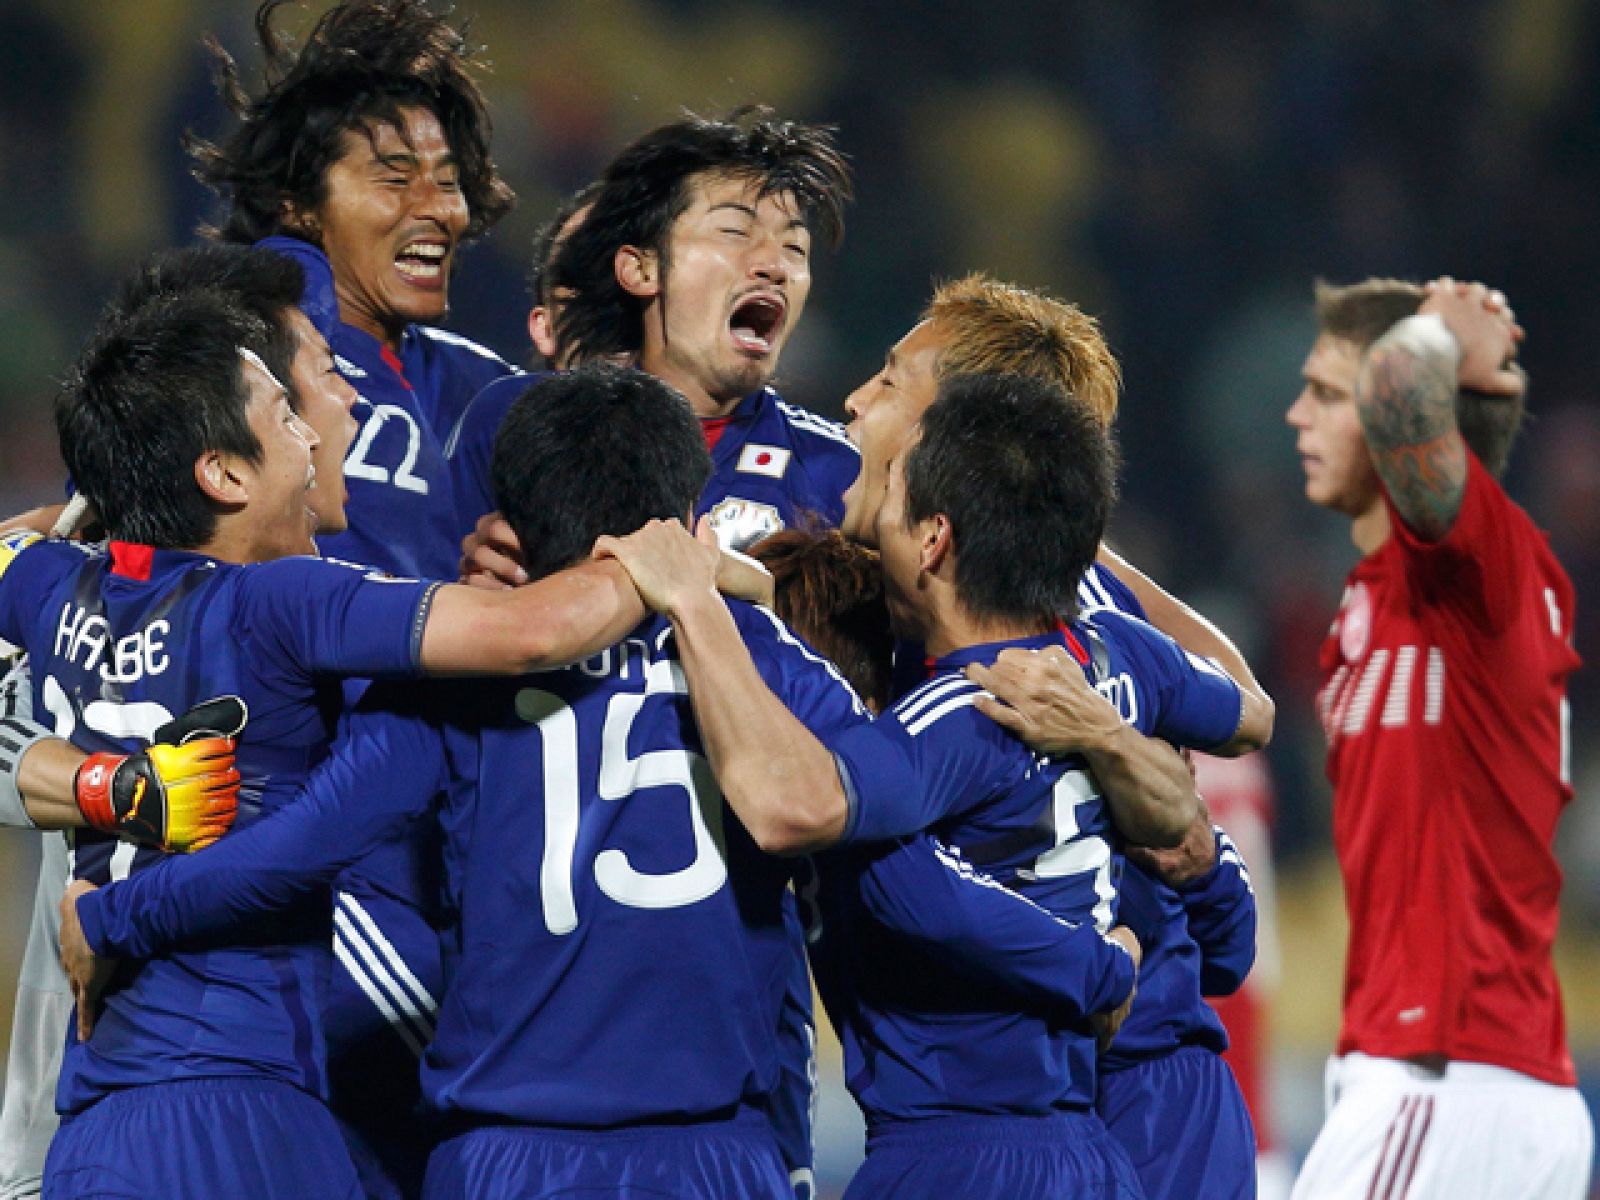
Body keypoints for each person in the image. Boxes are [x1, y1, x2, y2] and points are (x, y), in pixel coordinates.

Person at [56, 364, 1152, 1200]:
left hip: (508, 1157)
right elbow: (889, 852)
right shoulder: (768, 667)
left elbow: (296, 848)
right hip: (713, 1156)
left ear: (515, 523)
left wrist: (119, 912)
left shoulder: (447, 695)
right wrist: (1085, 961)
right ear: (685, 506)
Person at [0, 283, 663, 1200]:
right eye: (284, 414)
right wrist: (680, 567)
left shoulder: (47, 589)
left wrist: (68, 526)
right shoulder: (278, 601)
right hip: (242, 1104)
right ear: (225, 474)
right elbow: (533, 634)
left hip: (98, 1124)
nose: (314, 435)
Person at [602, 372, 1261, 1197]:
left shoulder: (951, 714)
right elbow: (1250, 727)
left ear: (934, 540)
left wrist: (710, 612)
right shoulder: (1117, 651)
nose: (873, 511)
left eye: (891, 493)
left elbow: (837, 827)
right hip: (1113, 1124)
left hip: (966, 1149)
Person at [191, 5, 524, 1188]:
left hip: (436, 849)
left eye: (449, 181)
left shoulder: (479, 392)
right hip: (298, 844)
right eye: (392, 176)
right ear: (298, 203)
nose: (435, 208)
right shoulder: (257, 322)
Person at [0, 241, 361, 1200]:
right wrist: (94, 784)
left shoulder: (338, 591)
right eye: (316, 378)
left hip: (313, 1095)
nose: (345, 408)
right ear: (220, 459)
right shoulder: (76, 581)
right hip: (112, 1100)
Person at [1285, 278, 1592, 1197]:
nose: (1297, 415)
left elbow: (1402, 399)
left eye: (1328, 395)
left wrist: (1435, 329)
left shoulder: (1480, 572)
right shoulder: (1377, 600)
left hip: (1446, 1078)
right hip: (1465, 1085)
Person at [447, 106, 858, 554]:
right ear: (641, 270)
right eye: (735, 231)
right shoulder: (513, 422)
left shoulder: (836, 473)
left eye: (795, 247)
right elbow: (425, 587)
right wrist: (470, 585)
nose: (775, 266)